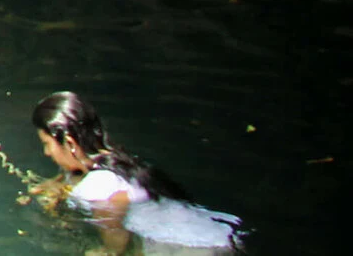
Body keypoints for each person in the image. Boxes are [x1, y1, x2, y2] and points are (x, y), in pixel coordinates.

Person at [33, 91, 244, 253]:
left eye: (46, 144)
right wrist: (58, 187)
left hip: (189, 249)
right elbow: (74, 177)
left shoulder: (97, 189)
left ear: (69, 142)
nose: (45, 152)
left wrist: (103, 252)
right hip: (218, 236)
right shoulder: (115, 159)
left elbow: (119, 245)